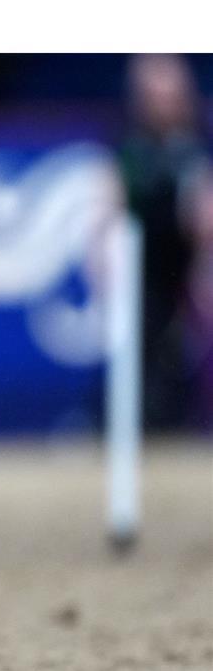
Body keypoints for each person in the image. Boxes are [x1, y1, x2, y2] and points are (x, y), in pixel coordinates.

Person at [118, 54, 211, 430]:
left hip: (188, 261)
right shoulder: (127, 143)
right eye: (155, 94)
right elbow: (109, 200)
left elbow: (204, 211)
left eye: (171, 94)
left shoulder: (200, 142)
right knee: (147, 359)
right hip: (143, 268)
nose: (164, 103)